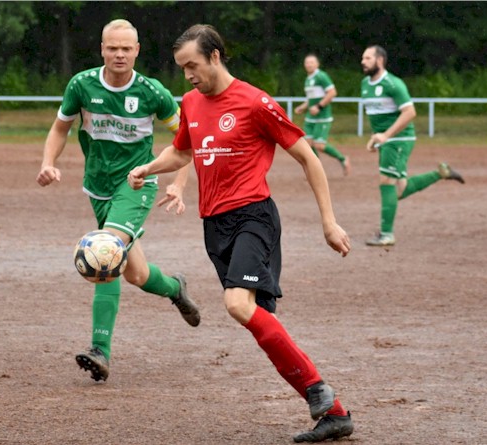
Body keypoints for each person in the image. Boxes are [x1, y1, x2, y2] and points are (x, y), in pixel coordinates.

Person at [128, 24, 354, 443]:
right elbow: (181, 151)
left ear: (215, 56)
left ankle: (320, 393)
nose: (188, 75)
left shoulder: (255, 102)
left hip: (254, 216)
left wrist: (329, 222)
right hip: (214, 226)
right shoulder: (191, 102)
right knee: (257, 318)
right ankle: (334, 412)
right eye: (181, 68)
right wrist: (149, 167)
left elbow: (308, 158)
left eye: (193, 65)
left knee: (236, 304)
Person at [36, 19, 201, 383]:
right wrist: (48, 162)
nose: (120, 54)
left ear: (137, 50)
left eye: (126, 48)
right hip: (98, 188)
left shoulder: (152, 92)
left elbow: (187, 141)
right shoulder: (81, 85)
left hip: (137, 183)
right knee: (136, 273)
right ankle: (175, 288)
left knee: (106, 251)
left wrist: (179, 184)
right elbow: (60, 128)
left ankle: (100, 349)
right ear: (102, 49)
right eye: (113, 48)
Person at [360, 45, 465, 247]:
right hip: (386, 140)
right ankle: (440, 173)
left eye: (368, 58)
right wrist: (375, 137)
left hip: (399, 139)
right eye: (363, 58)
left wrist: (386, 135)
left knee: (386, 181)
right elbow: (377, 116)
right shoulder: (365, 84)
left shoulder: (393, 84)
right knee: (400, 189)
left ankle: (386, 234)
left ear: (380, 60)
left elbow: (410, 112)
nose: (363, 61)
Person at [295, 54, 351, 175]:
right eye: (307, 62)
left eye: (311, 62)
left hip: (322, 117)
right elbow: (311, 99)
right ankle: (316, 169)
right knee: (308, 144)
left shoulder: (321, 76)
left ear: (317, 64)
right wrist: (302, 107)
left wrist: (319, 106)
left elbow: (332, 93)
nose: (309, 65)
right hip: (310, 118)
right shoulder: (308, 79)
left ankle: (343, 159)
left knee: (319, 145)